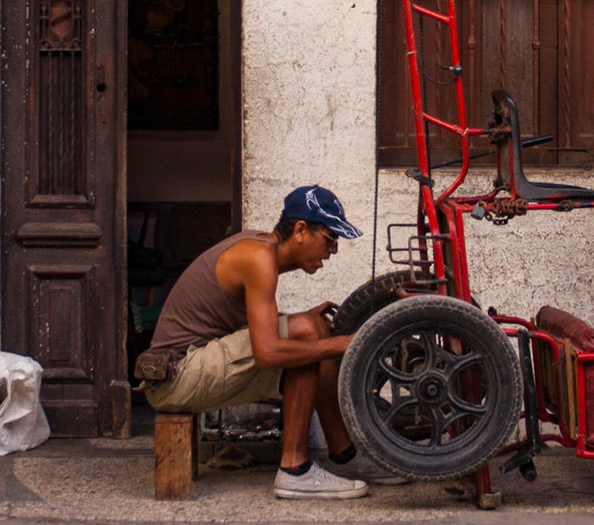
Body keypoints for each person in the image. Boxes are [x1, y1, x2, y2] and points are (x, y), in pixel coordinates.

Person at [142, 185, 404, 499]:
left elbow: (246, 328)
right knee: (308, 331)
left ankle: (344, 456)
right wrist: (349, 343)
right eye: (329, 239)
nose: (333, 251)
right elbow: (267, 353)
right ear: (301, 230)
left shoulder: (259, 247)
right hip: (175, 377)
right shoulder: (259, 257)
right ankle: (295, 469)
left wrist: (308, 324)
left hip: (187, 368)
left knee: (313, 328)